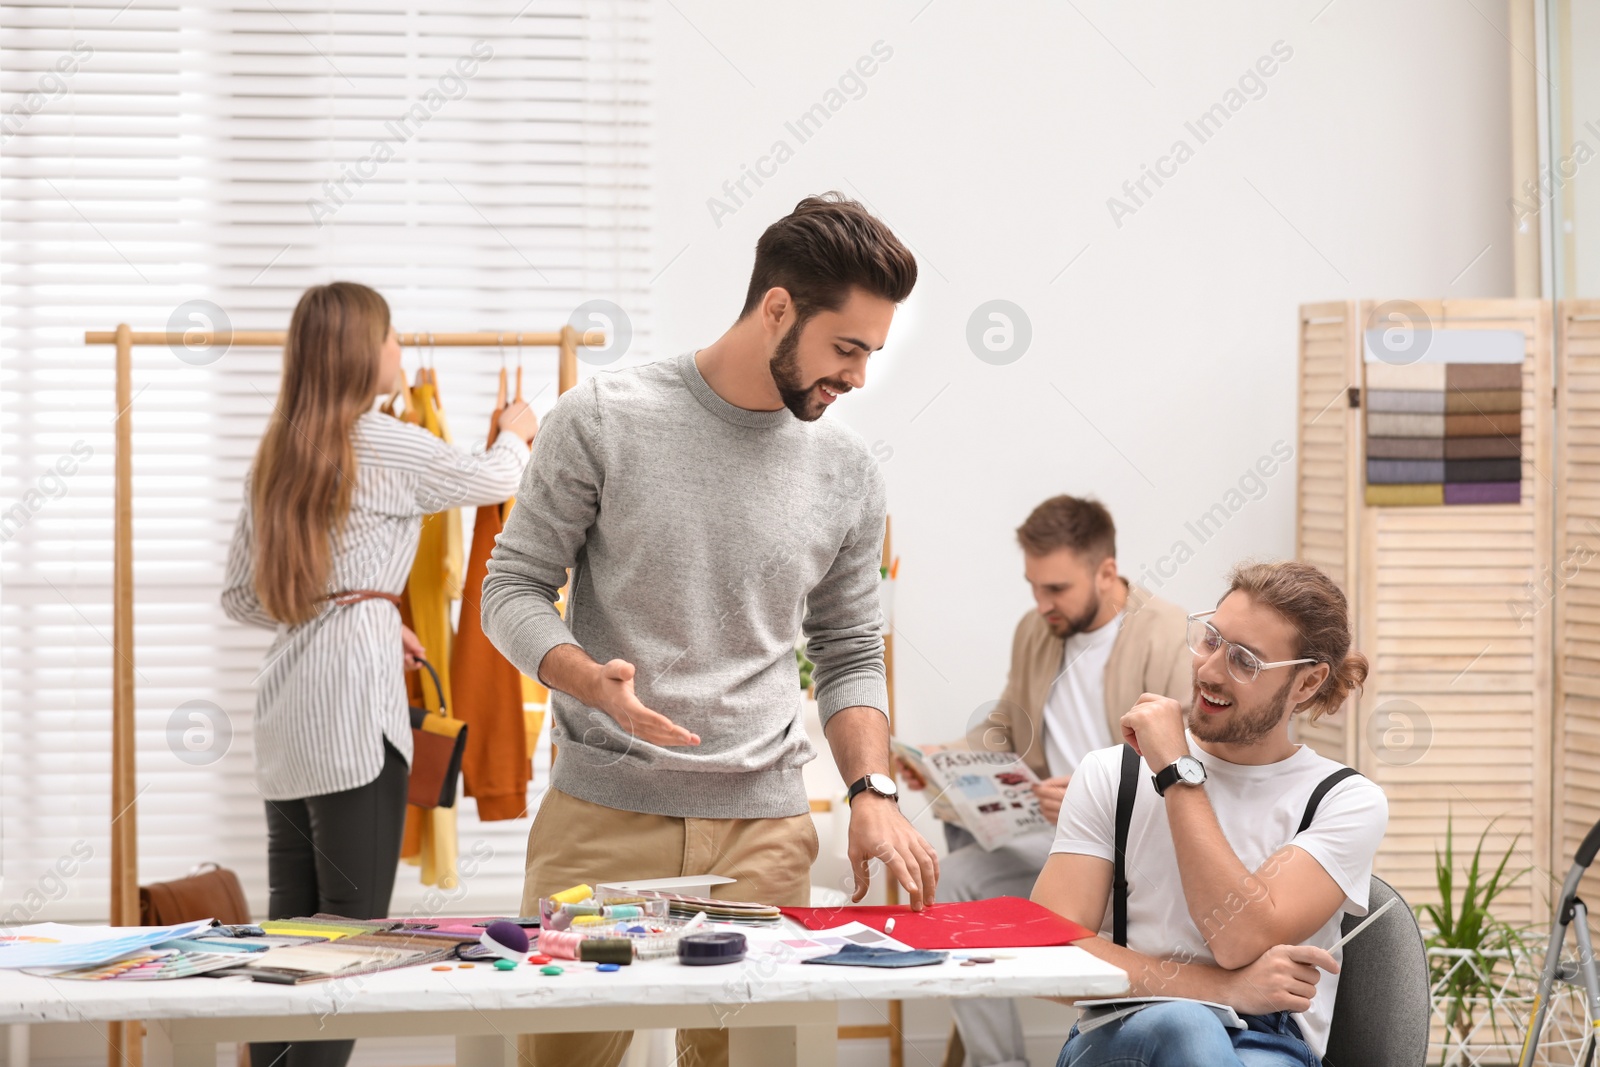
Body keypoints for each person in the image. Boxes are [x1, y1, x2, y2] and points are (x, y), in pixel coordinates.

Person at [480, 192, 937, 1067]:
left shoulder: (845, 470)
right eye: (846, 348)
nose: (858, 378)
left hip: (765, 830)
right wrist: (584, 678)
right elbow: (513, 586)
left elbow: (847, 649)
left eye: (872, 354)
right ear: (777, 308)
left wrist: (871, 791)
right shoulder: (603, 417)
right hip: (604, 816)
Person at [222, 281, 536, 1067]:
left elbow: (240, 595)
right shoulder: (381, 440)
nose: (400, 351)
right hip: (355, 712)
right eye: (391, 337)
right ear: (365, 351)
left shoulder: (278, 452)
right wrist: (516, 429)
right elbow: (493, 478)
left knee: (290, 934)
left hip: (287, 709)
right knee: (352, 942)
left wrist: (353, 606)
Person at [1033, 560, 1388, 1067]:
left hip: (1269, 1042)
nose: (1209, 670)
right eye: (1211, 639)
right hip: (1121, 1031)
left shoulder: (1343, 800)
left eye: (1245, 661)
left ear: (1307, 683)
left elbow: (1238, 936)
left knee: (1198, 1030)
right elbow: (1048, 956)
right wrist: (1224, 989)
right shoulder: (1113, 775)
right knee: (1184, 1021)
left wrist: (1178, 775)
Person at [897, 494, 1190, 1067]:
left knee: (964, 875)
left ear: (1107, 572)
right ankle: (1000, 1063)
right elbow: (1007, 727)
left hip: (1132, 847)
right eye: (1033, 586)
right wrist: (938, 758)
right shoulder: (1037, 632)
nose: (1041, 603)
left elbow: (1186, 759)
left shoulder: (1166, 633)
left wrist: (1089, 792)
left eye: (1056, 589)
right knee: (950, 881)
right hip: (1052, 833)